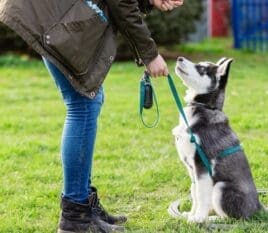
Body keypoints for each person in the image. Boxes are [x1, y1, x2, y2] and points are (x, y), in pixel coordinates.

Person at [0, 0, 183, 232]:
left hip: (48, 11)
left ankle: (82, 204)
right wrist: (150, 54)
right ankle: (76, 216)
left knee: (88, 102)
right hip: (47, 13)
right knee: (82, 106)